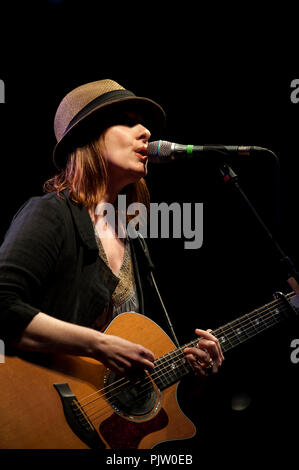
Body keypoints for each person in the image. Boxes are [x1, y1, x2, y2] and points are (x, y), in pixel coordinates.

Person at [0, 79, 223, 378]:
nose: (146, 132)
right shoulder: (51, 213)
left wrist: (191, 374)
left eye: (143, 125)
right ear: (88, 137)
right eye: (128, 123)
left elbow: (131, 382)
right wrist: (99, 345)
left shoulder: (134, 239)